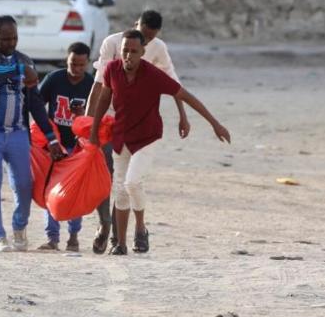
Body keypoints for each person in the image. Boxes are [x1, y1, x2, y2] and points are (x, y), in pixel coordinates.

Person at [89, 29, 230, 255]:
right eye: (125, 50)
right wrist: (94, 130)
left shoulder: (153, 74)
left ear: (143, 52)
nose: (128, 56)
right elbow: (104, 99)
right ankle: (121, 244)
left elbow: (185, 95)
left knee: (132, 183)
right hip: (121, 136)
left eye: (134, 52)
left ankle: (141, 228)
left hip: (147, 136)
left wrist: (215, 123)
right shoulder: (112, 70)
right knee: (120, 190)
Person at [86, 10, 189, 254]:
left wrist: (183, 115)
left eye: (149, 38)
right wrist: (88, 122)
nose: (144, 40)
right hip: (110, 118)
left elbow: (173, 83)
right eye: (142, 33)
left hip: (138, 121)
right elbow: (99, 85)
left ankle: (124, 235)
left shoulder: (158, 48)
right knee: (108, 177)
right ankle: (105, 227)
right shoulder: (112, 43)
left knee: (127, 182)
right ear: (135, 25)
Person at [0, 15, 64, 253]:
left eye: (15, 38)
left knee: (24, 185)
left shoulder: (24, 60)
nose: (11, 43)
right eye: (5, 38)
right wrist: (21, 71)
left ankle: (19, 227)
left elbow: (35, 104)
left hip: (18, 133)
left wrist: (50, 137)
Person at [36, 42, 94, 252]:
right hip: (55, 145)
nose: (76, 69)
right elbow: (37, 105)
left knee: (74, 193)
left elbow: (97, 117)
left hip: (78, 146)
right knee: (51, 190)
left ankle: (74, 235)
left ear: (87, 63)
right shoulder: (54, 79)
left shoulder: (91, 84)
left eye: (80, 65)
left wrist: (82, 116)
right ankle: (52, 238)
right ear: (66, 59)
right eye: (72, 63)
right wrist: (45, 136)